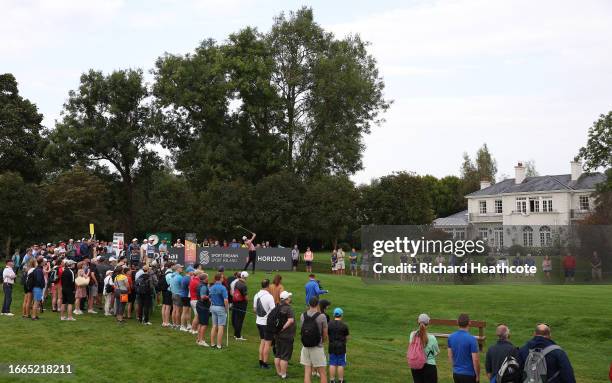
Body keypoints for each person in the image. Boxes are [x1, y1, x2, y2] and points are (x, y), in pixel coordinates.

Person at [300, 296, 329, 383]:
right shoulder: (322, 316)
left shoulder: (303, 315)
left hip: (305, 346)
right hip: (317, 346)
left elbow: (302, 330)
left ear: (309, 304)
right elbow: (325, 333)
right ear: (317, 304)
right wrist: (322, 341)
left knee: (307, 372)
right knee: (323, 373)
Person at [447, 313, 480, 383]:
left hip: (456, 373)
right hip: (469, 374)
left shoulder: (451, 337)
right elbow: (475, 360)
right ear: (469, 323)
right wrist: (477, 375)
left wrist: (455, 369)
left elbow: (450, 356)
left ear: (457, 322)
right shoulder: (472, 339)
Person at [409, 313, 439, 383]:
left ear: (418, 322)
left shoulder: (412, 335)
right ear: (428, 323)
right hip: (429, 366)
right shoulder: (432, 338)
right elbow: (437, 352)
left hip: (415, 365)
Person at [254, 278, 276, 369]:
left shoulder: (256, 295)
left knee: (262, 341)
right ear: (268, 286)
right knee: (267, 343)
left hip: (258, 322)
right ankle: (265, 363)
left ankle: (260, 361)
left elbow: (255, 310)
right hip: (266, 324)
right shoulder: (269, 296)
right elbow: (274, 311)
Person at [274, 290, 296, 379]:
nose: (290, 299)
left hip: (277, 335)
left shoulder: (277, 307)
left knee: (278, 354)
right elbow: (291, 320)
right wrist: (282, 328)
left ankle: (279, 372)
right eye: (289, 297)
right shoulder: (288, 308)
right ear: (286, 299)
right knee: (285, 356)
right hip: (286, 336)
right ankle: (283, 374)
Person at [328, 307, 350, 383]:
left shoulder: (329, 324)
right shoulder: (344, 325)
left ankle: (332, 380)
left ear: (334, 315)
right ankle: (341, 380)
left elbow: (327, 335)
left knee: (332, 363)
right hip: (341, 346)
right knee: (340, 364)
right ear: (341, 315)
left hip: (332, 345)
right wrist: (344, 342)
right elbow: (347, 337)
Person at [209, 273, 229, 349]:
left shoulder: (212, 287)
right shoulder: (223, 288)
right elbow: (226, 300)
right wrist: (226, 309)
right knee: (221, 326)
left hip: (213, 307)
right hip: (220, 308)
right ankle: (219, 345)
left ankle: (212, 343)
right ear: (220, 278)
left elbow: (210, 298)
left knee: (214, 326)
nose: (223, 278)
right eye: (222, 277)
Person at [231, 271, 249, 341]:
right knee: (239, 320)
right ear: (246, 277)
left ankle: (236, 334)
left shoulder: (237, 282)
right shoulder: (243, 285)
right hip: (241, 304)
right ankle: (238, 336)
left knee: (235, 318)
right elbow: (245, 297)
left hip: (235, 302)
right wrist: (248, 300)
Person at [195, 272, 211, 347]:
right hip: (203, 306)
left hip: (200, 305)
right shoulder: (204, 286)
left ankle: (198, 339)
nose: (208, 278)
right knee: (204, 324)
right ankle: (201, 340)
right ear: (204, 279)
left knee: (201, 323)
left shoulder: (199, 284)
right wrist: (210, 296)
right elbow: (203, 297)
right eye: (207, 277)